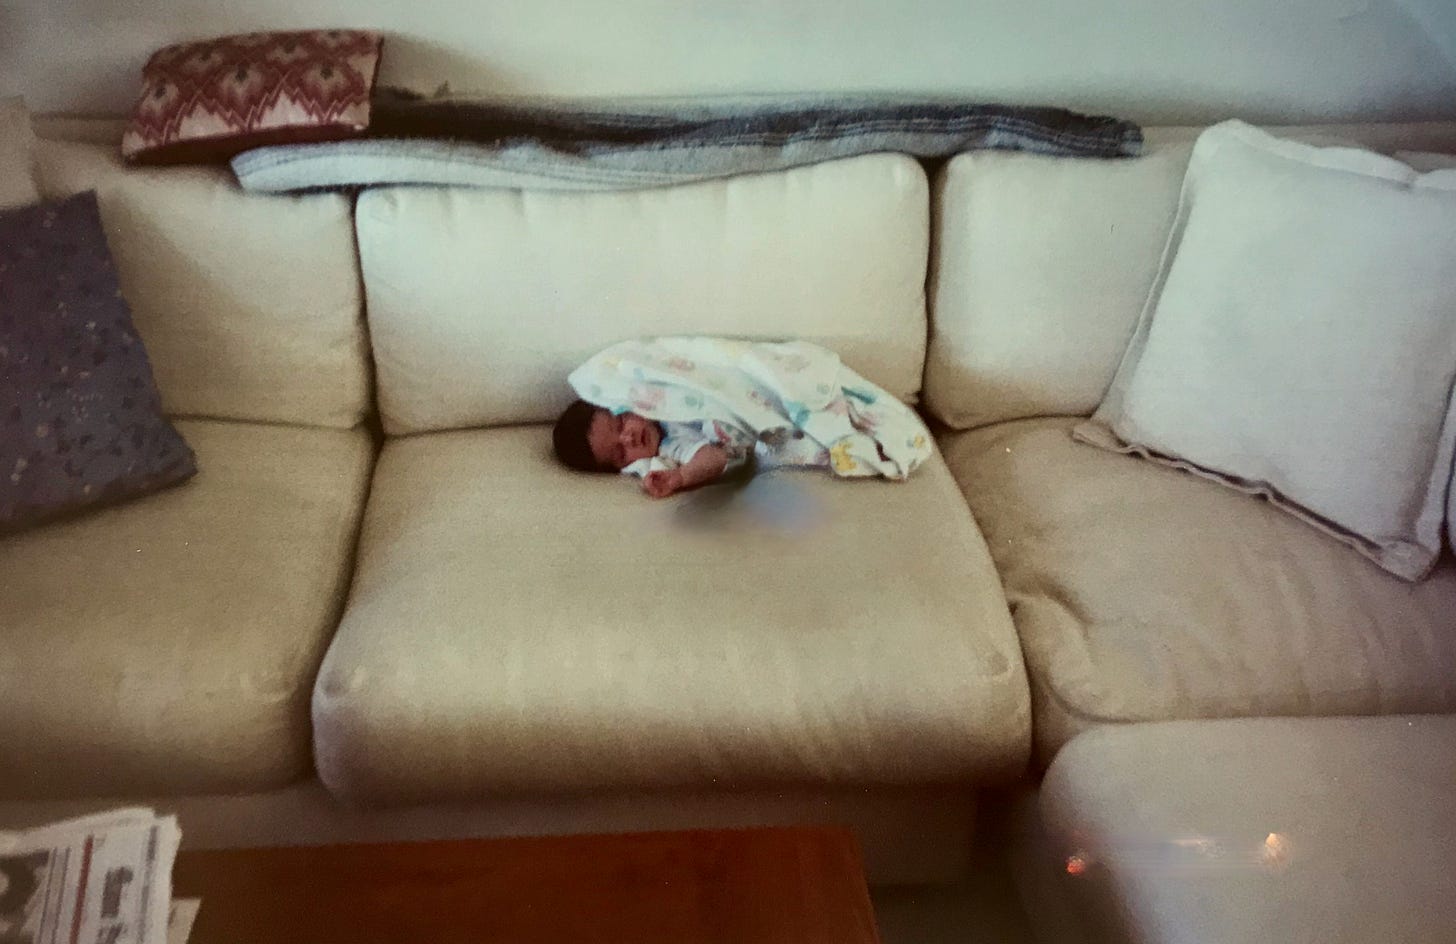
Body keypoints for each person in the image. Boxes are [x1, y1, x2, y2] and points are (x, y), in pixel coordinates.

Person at [552, 399, 824, 498]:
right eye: (619, 454)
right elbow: (712, 458)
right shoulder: (672, 445)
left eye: (621, 423)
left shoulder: (653, 399)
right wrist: (680, 477)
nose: (629, 439)